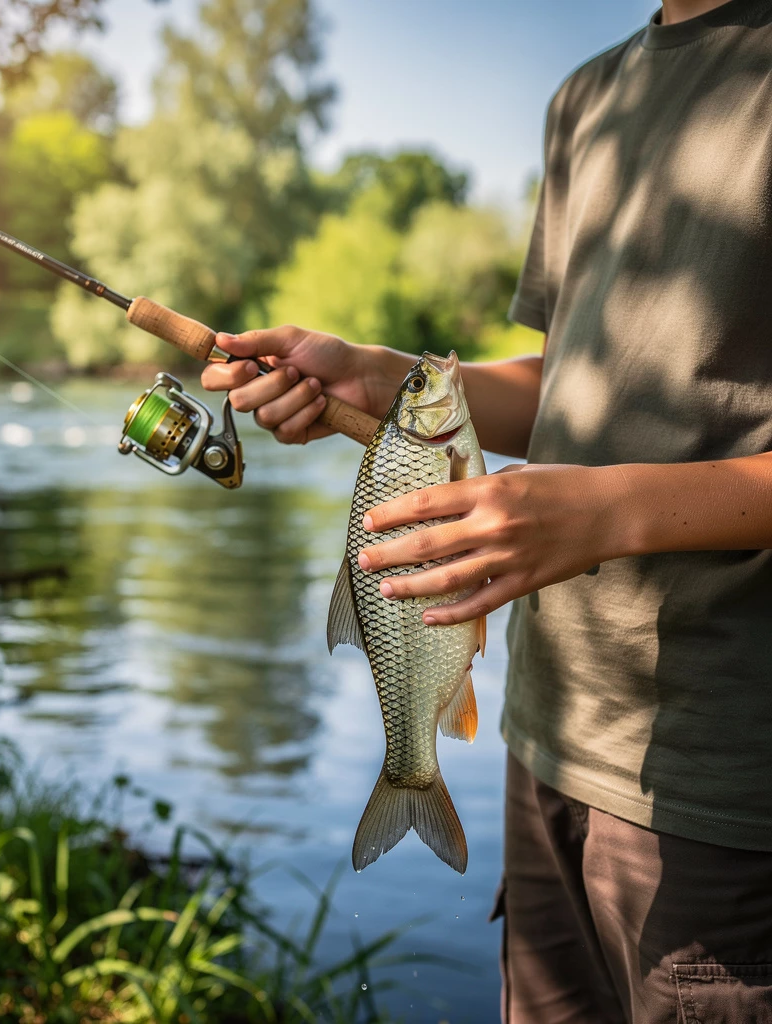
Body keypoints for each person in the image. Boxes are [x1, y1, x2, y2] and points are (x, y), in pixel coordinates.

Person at [201, 0, 772, 1020]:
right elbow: (575, 378)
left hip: (727, 788)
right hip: (548, 734)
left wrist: (605, 513)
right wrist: (389, 379)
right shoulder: (587, 98)